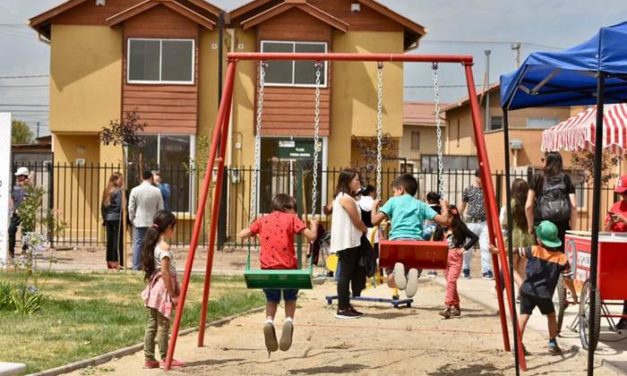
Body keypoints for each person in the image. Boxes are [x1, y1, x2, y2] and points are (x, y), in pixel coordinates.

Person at [239, 194, 317, 354]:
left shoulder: (262, 220)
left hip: (267, 271)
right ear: (286, 208)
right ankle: (288, 320)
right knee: (290, 297)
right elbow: (312, 237)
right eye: (294, 210)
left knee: (271, 299)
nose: (295, 213)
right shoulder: (292, 219)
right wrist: (314, 225)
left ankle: (269, 322)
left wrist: (250, 232)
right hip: (288, 270)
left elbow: (242, 234)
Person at [490, 220, 572, 355]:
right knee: (551, 316)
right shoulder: (562, 258)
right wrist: (573, 294)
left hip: (527, 290)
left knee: (524, 316)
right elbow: (567, 279)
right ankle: (552, 342)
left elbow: (514, 250)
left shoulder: (533, 250)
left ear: (540, 240)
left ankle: (517, 343)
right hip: (545, 294)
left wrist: (497, 250)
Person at [372, 174, 449, 298]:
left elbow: (374, 221)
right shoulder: (421, 205)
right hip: (416, 244)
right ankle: (413, 272)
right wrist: (444, 206)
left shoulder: (392, 201)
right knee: (413, 266)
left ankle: (396, 272)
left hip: (396, 243)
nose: (393, 194)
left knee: (391, 280)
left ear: (401, 189)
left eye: (394, 191)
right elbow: (444, 220)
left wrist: (374, 207)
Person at [140, 210, 184, 369]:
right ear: (168, 228)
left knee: (152, 323)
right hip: (163, 289)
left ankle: (149, 358)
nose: (174, 230)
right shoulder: (164, 247)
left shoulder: (154, 244)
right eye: (174, 226)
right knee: (163, 324)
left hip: (154, 288)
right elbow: (165, 272)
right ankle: (166, 357)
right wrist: (172, 294)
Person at [330, 168, 368, 319]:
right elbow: (356, 221)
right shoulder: (345, 198)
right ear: (347, 181)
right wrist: (365, 229)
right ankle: (342, 307)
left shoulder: (344, 196)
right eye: (356, 179)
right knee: (345, 275)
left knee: (348, 273)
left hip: (350, 240)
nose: (358, 182)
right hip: (347, 241)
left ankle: (346, 304)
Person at [436, 204, 478, 319]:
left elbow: (474, 237)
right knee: (450, 283)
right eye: (445, 217)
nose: (447, 219)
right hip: (445, 258)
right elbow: (435, 239)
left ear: (454, 217)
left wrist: (464, 248)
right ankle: (457, 306)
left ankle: (448, 307)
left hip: (455, 258)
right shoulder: (443, 228)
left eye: (449, 217)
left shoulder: (460, 227)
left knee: (450, 281)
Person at [499, 178, 533, 289]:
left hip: (514, 239)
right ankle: (521, 295)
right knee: (522, 269)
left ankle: (523, 288)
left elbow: (505, 223)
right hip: (528, 240)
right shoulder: (529, 203)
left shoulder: (512, 204)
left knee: (510, 267)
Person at [604, 174, 627, 330]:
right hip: (616, 250)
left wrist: (624, 221)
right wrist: (611, 222)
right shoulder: (615, 206)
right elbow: (604, 230)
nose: (622, 196)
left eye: (625, 193)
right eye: (621, 193)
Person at [460, 169, 492, 280]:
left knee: (485, 247)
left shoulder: (487, 190)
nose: (482, 180)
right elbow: (463, 205)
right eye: (481, 178)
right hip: (471, 222)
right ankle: (465, 269)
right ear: (476, 177)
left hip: (484, 222)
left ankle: (486, 270)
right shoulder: (468, 190)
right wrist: (458, 218)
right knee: (468, 247)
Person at [129, 171, 164, 270]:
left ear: (141, 177)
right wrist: (158, 221)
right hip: (152, 222)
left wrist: (132, 219)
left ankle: (136, 266)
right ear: (151, 178)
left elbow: (131, 207)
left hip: (139, 221)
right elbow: (161, 208)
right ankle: (151, 266)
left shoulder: (135, 190)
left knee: (138, 244)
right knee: (152, 245)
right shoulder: (156, 191)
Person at [101, 172, 125, 270]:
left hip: (108, 218)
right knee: (117, 241)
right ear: (116, 180)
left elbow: (102, 206)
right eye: (121, 179)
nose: (122, 182)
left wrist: (105, 217)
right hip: (117, 218)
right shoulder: (118, 191)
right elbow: (121, 206)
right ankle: (116, 261)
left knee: (110, 241)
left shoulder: (106, 190)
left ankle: (109, 261)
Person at [8, 167, 31, 259]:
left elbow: (35, 199)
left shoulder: (30, 187)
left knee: (26, 232)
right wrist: (11, 209)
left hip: (26, 214)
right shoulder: (16, 186)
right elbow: (12, 198)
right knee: (11, 230)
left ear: (24, 176)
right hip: (16, 213)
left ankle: (25, 250)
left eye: (19, 176)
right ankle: (11, 251)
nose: (17, 178)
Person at [424, 191, 443, 278]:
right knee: (434, 251)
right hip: (437, 230)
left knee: (427, 250)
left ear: (430, 200)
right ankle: (433, 270)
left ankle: (430, 269)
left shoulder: (426, 207)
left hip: (427, 231)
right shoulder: (440, 209)